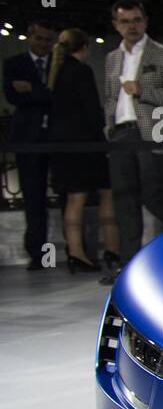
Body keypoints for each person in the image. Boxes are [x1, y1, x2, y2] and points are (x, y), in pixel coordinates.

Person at [101, 0, 163, 278]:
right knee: (124, 200)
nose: (132, 26)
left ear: (145, 22)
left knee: (155, 197)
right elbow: (110, 97)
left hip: (152, 134)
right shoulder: (112, 58)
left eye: (137, 20)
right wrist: (109, 127)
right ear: (116, 25)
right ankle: (129, 266)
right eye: (125, 21)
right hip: (121, 134)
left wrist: (142, 91)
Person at [48, 28, 117, 272]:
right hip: (87, 144)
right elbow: (91, 111)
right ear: (84, 47)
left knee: (74, 199)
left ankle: (76, 253)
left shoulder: (55, 73)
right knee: (107, 193)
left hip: (61, 146)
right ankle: (112, 249)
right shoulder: (82, 71)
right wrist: (104, 141)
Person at [2, 19, 57, 269]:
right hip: (28, 139)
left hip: (60, 138)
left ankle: (76, 251)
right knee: (33, 198)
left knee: (68, 193)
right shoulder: (14, 64)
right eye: (39, 39)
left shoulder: (61, 63)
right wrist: (44, 92)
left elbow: (57, 99)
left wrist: (32, 90)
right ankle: (38, 255)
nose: (44, 44)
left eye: (48, 39)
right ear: (29, 37)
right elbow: (13, 96)